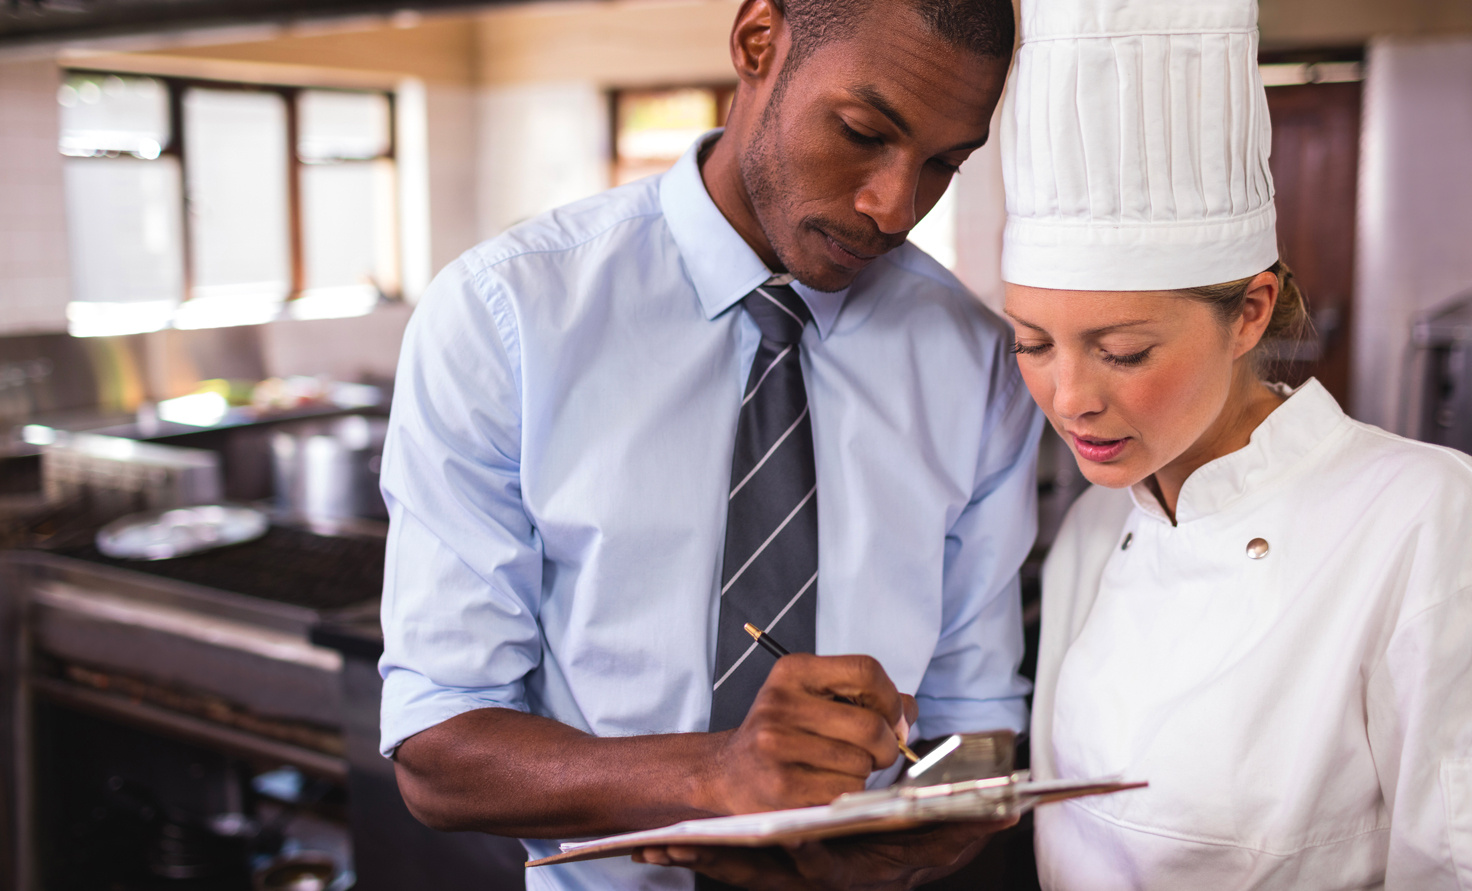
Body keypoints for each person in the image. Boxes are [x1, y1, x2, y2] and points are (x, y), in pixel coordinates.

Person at [377, 0, 1042, 887]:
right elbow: (437, 748)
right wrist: (711, 775)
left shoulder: (977, 361)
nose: (893, 208)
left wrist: (909, 842)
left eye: (943, 166)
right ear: (758, 42)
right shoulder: (508, 317)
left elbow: (976, 723)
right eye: (860, 132)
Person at [997, 0, 1472, 887]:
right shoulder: (1104, 527)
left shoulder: (1426, 518)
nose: (1069, 400)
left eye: (1123, 351)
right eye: (1030, 342)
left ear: (1249, 312)